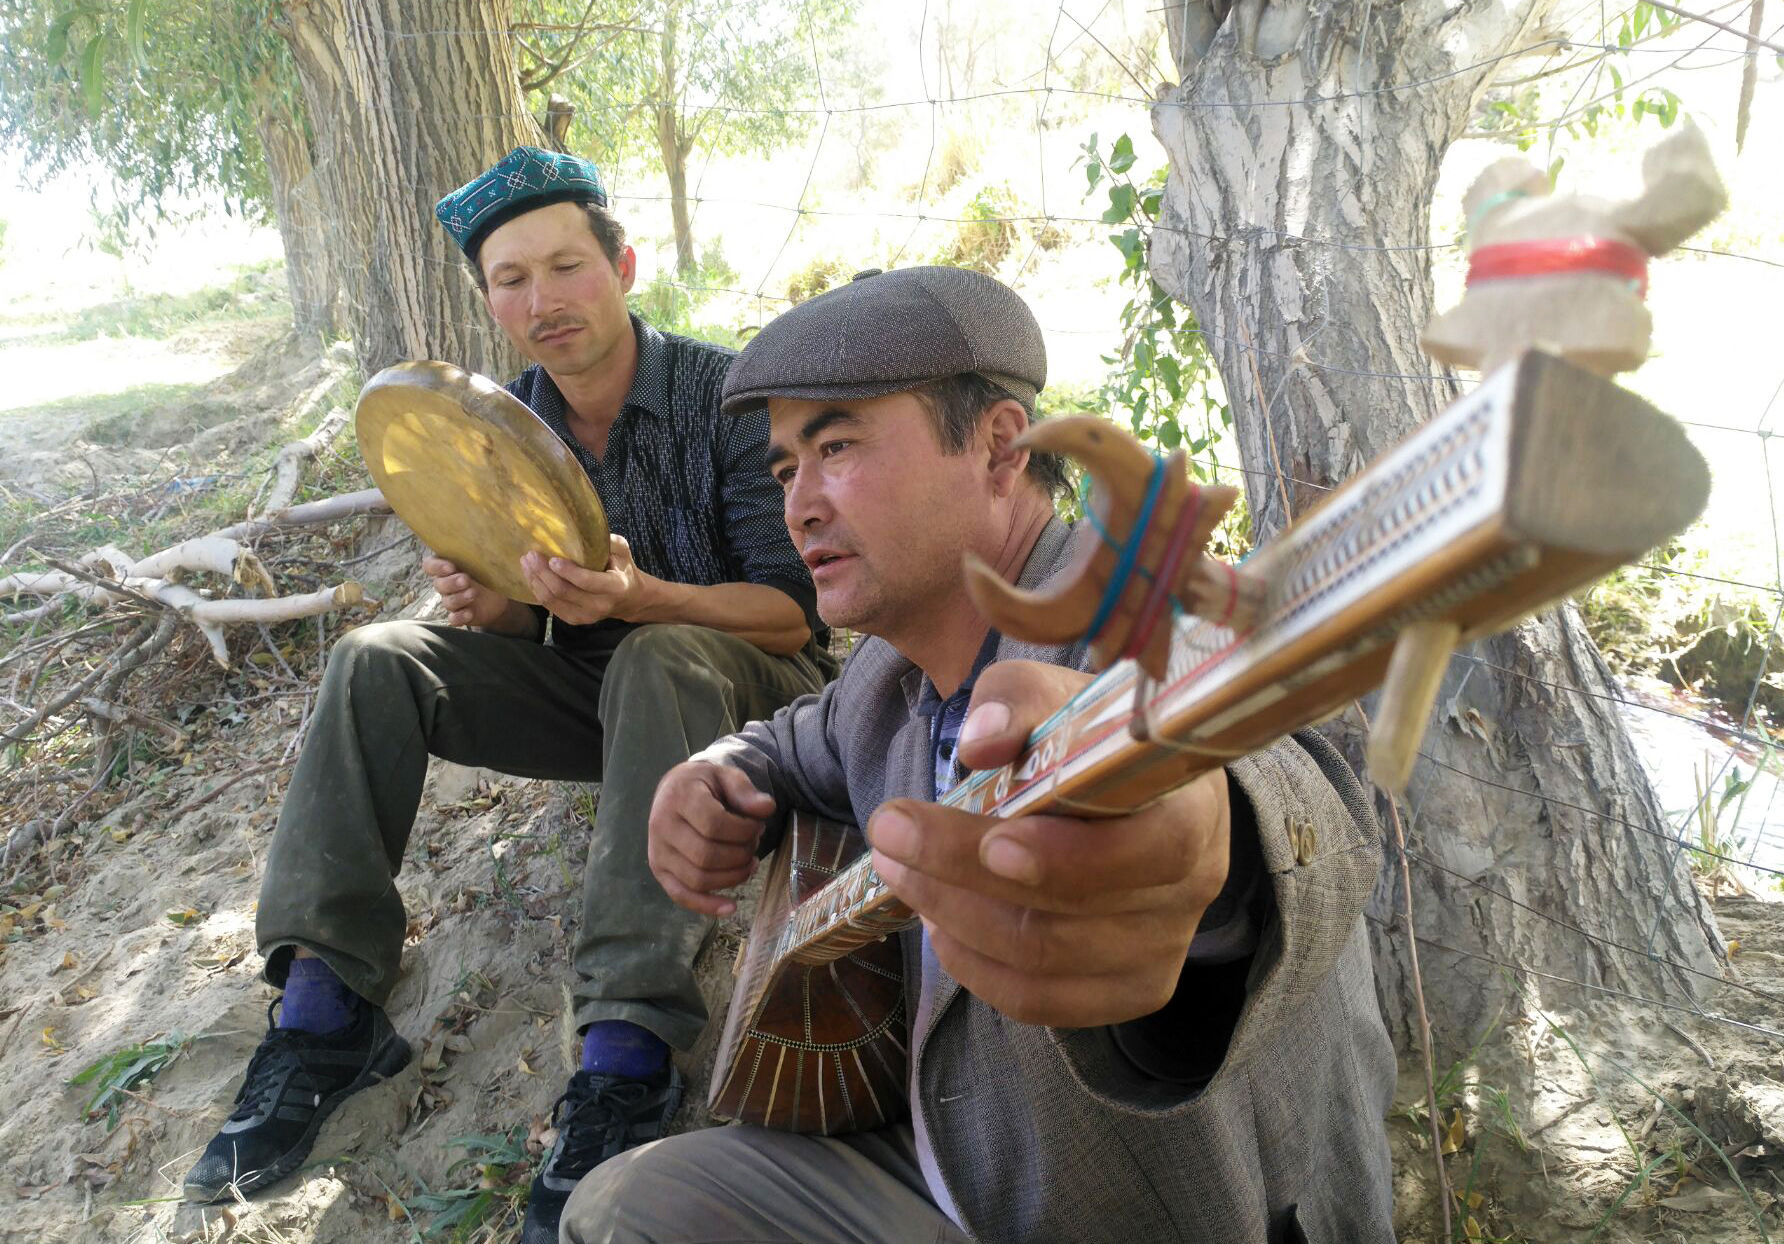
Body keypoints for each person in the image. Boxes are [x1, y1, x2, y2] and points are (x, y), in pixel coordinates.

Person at [565, 266, 1397, 1242]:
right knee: (619, 1207)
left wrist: (1211, 869)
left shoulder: (1156, 616)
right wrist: (717, 775)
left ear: (1000, 448)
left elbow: (1293, 806)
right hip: (935, 1165)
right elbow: (795, 741)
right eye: (786, 468)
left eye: (835, 447)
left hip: (1163, 1210)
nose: (798, 504)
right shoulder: (882, 676)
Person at [182, 147, 835, 1244]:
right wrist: (501, 610)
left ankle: (626, 1050)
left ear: (622, 265)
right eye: (510, 279)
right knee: (378, 656)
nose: (543, 301)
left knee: (657, 650)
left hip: (748, 697)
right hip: (603, 698)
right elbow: (545, 617)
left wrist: (637, 593)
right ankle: (324, 1004)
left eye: (566, 267)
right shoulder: (496, 426)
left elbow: (795, 617)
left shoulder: (731, 398)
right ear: (487, 300)